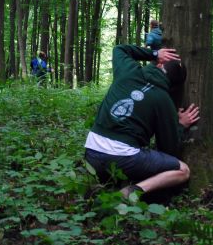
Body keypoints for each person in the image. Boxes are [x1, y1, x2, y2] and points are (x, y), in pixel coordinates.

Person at [84, 44, 200, 201]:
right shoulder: (164, 101)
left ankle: (105, 188)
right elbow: (168, 148)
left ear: (159, 63)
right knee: (183, 170)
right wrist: (179, 125)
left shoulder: (129, 70)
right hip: (123, 159)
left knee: (120, 163)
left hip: (91, 152)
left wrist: (154, 53)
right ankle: (131, 192)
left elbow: (120, 49)